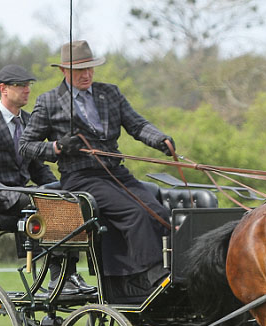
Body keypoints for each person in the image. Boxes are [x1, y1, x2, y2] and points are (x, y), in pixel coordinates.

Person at [20, 40, 173, 301]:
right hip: (80, 177)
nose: (87, 74)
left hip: (115, 173)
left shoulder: (110, 93)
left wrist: (160, 140)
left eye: (90, 68)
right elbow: (26, 146)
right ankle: (147, 278)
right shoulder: (49, 102)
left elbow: (137, 125)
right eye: (80, 70)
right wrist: (57, 147)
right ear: (64, 71)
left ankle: (169, 273)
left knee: (159, 212)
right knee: (135, 213)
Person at [0, 64, 95, 294]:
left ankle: (68, 273)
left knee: (69, 198)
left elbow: (37, 168)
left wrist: (61, 188)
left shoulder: (30, 123)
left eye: (28, 85)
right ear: (3, 89)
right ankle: (58, 277)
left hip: (24, 195)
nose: (27, 90)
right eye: (20, 85)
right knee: (44, 200)